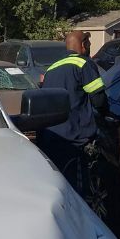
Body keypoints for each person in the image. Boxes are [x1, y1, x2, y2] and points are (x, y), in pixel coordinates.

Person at [36, 30, 108, 196]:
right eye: (89, 44)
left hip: (51, 138)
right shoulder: (84, 64)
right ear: (83, 45)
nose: (90, 48)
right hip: (75, 140)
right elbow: (99, 100)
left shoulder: (51, 68)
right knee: (79, 189)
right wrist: (106, 116)